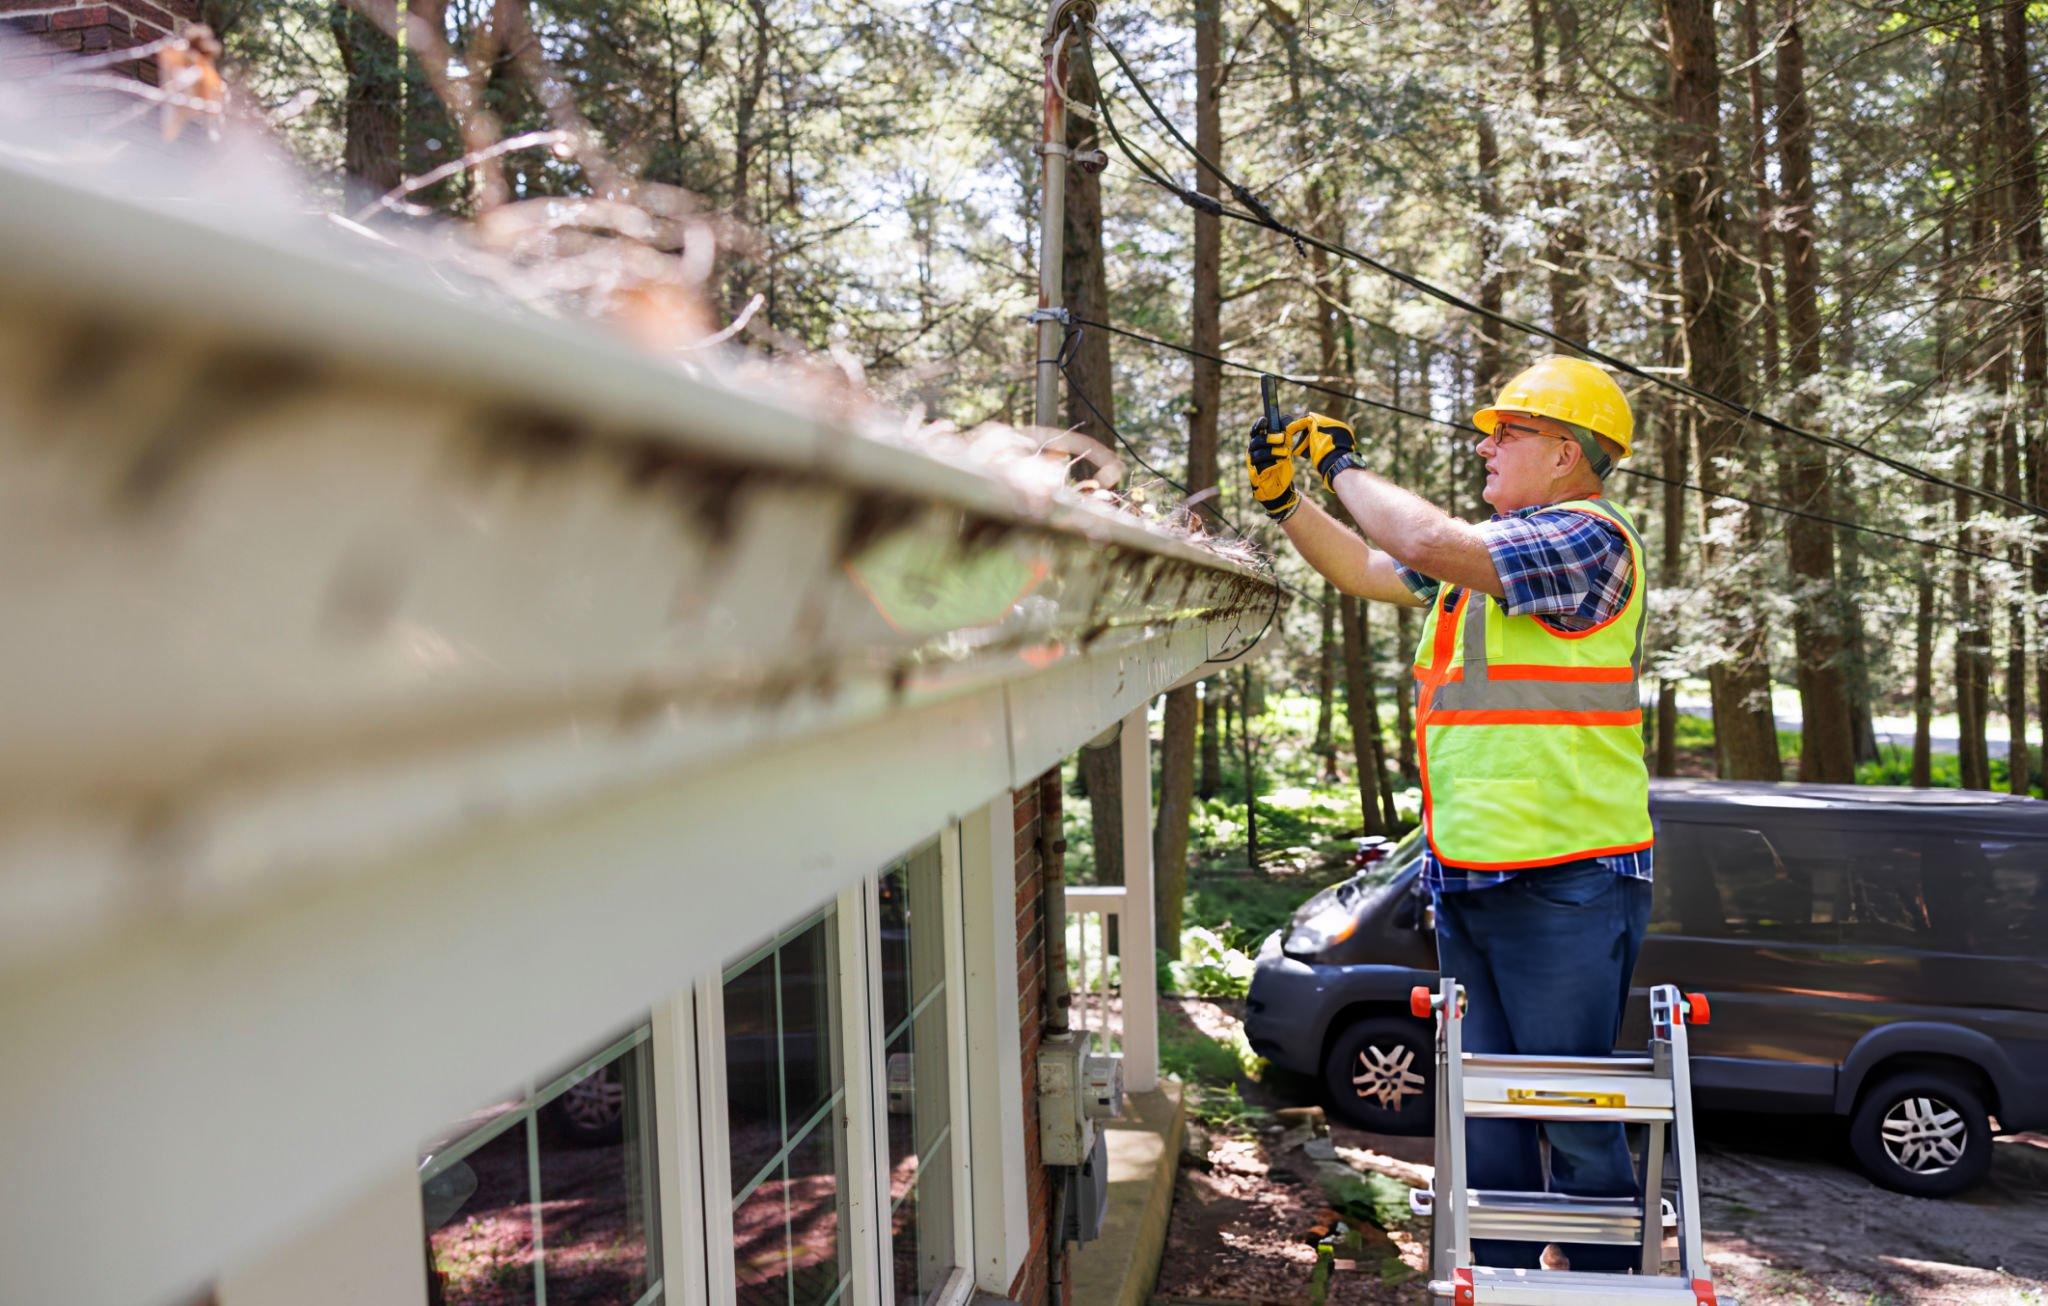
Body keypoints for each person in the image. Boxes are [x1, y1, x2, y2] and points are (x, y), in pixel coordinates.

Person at [1247, 356, 1652, 1274]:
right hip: (1471, 875)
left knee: (1568, 1110)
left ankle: (1597, 1286)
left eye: (1507, 432)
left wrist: (1341, 465)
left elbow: (1424, 542)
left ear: (1566, 455)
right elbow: (1362, 565)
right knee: (1488, 1113)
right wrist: (1287, 503)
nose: (1484, 444)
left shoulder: (1588, 541)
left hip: (1567, 876)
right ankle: (1502, 1277)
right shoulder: (1489, 568)